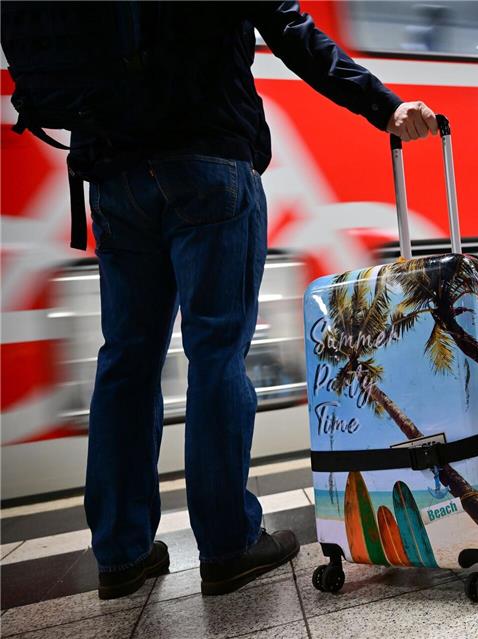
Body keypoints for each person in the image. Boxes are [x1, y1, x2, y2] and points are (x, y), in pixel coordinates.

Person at [77, 2, 439, 599]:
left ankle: (122, 552)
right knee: (216, 355)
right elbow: (293, 33)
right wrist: (385, 105)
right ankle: (227, 545)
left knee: (126, 361)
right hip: (207, 160)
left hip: (111, 172)